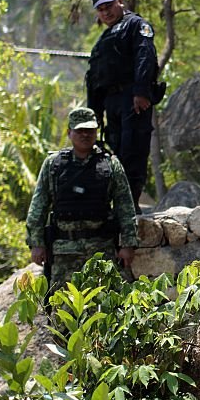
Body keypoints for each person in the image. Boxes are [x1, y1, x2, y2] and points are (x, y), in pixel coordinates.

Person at [26, 107, 138, 289]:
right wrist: (36, 244)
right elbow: (39, 205)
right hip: (64, 252)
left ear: (96, 132)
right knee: (63, 308)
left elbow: (125, 207)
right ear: (69, 132)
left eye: (90, 130)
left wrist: (128, 244)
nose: (85, 135)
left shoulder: (111, 164)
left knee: (105, 308)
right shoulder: (53, 165)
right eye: (79, 130)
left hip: (101, 250)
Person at [85, 0, 161, 209]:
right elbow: (95, 79)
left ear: (120, 2)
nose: (106, 12)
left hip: (132, 98)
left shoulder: (136, 25)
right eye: (101, 10)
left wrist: (141, 91)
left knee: (133, 150)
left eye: (109, 6)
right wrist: (94, 115)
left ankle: (130, 204)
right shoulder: (103, 39)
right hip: (112, 102)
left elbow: (145, 56)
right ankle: (120, 203)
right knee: (116, 149)